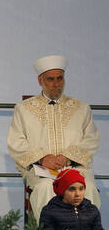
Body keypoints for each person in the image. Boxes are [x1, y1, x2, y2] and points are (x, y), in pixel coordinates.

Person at [8, 54, 100, 220]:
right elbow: (16, 142)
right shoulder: (23, 109)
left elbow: (91, 139)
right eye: (50, 79)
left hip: (74, 166)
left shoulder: (81, 108)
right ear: (40, 81)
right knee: (45, 188)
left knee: (89, 187)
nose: (56, 84)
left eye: (60, 79)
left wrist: (67, 157)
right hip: (41, 169)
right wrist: (43, 158)